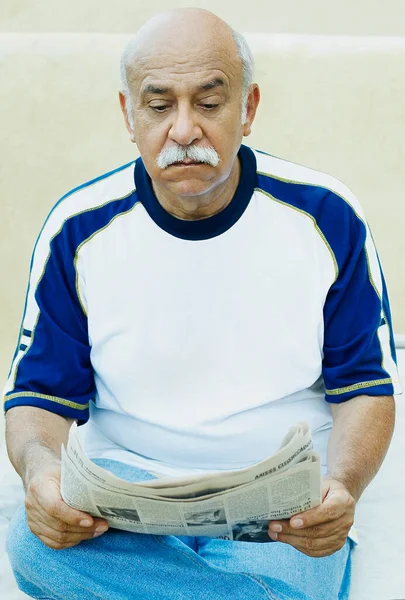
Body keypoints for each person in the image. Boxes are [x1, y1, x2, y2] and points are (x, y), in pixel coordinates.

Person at [3, 7, 400, 600]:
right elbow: (36, 397)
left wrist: (340, 486)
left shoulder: (327, 216)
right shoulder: (76, 229)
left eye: (209, 103)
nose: (184, 130)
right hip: (122, 496)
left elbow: (368, 387)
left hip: (278, 505)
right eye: (159, 105)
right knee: (36, 551)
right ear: (128, 114)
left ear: (249, 108)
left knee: (284, 570)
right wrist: (42, 473)